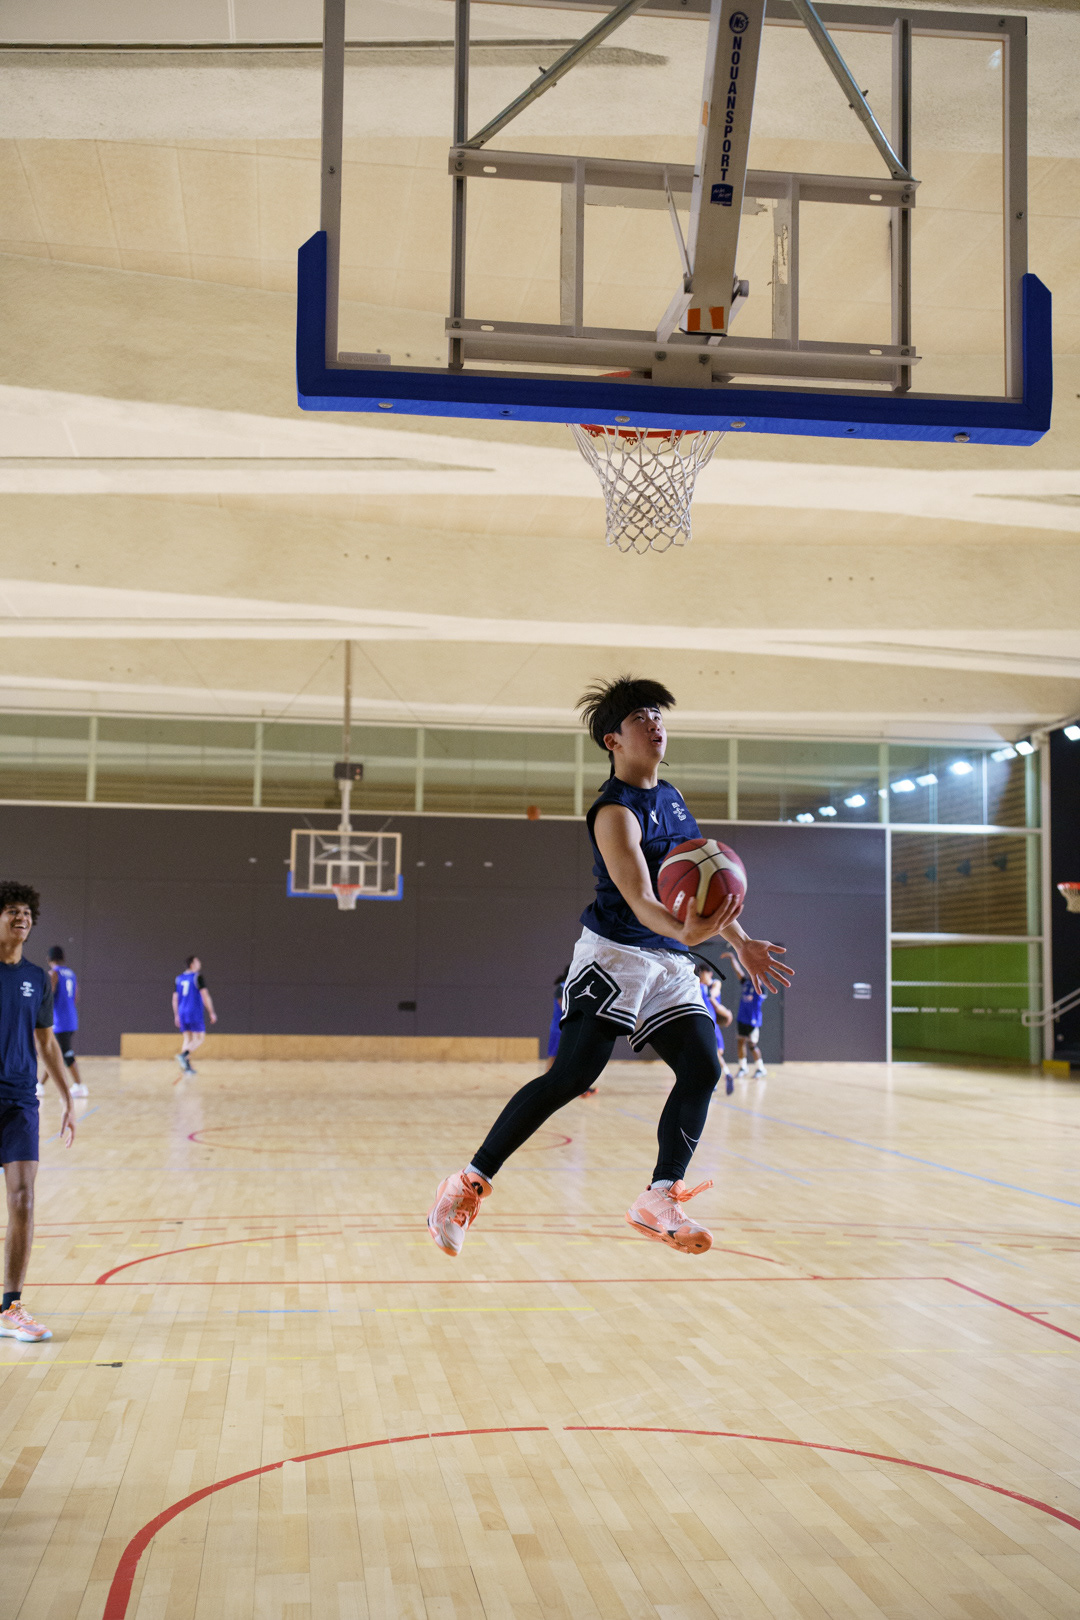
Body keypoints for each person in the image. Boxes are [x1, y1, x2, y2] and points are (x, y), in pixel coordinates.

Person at [429, 675, 792, 1258]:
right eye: (640, 718)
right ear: (612, 741)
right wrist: (685, 932)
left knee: (702, 1066)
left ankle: (659, 1197)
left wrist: (741, 942)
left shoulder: (672, 798)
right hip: (615, 955)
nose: (655, 724)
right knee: (572, 1076)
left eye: (658, 715)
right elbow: (643, 899)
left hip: (669, 959)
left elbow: (702, 886)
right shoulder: (614, 812)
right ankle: (466, 1184)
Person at [0, 882, 75, 1344]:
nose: (21, 918)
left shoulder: (36, 979)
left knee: (23, 1199)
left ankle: (11, 1306)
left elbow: (46, 1043)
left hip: (20, 1102)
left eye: (27, 912)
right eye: (12, 910)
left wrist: (66, 1098)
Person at [47, 946, 87, 1098]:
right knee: (54, 1053)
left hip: (59, 1020)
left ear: (49, 959)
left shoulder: (54, 973)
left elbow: (49, 995)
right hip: (71, 1018)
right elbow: (76, 997)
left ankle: (79, 1085)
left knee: (65, 1054)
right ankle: (40, 1085)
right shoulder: (71, 973)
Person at [723, 950, 768, 1077]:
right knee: (740, 1042)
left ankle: (760, 1068)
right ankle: (743, 1067)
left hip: (753, 1020)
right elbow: (738, 971)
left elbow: (759, 982)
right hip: (742, 1018)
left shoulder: (760, 987)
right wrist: (732, 958)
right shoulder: (746, 982)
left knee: (752, 1045)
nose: (749, 972)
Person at [695, 962, 735, 1095]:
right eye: (699, 974)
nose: (701, 976)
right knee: (713, 1053)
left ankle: (720, 1077)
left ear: (709, 973)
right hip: (707, 1019)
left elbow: (715, 998)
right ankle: (723, 1076)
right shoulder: (699, 986)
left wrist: (726, 1014)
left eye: (702, 973)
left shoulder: (714, 984)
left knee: (717, 1052)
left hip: (712, 1020)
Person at [173, 955, 217, 1074]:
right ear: (192, 964)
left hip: (182, 1011)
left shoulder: (179, 978)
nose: (200, 964)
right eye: (197, 962)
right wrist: (211, 1012)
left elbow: (175, 998)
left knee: (188, 1038)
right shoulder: (197, 977)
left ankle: (186, 1067)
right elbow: (205, 996)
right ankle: (183, 1055)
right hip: (193, 1011)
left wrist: (176, 1015)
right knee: (200, 1038)